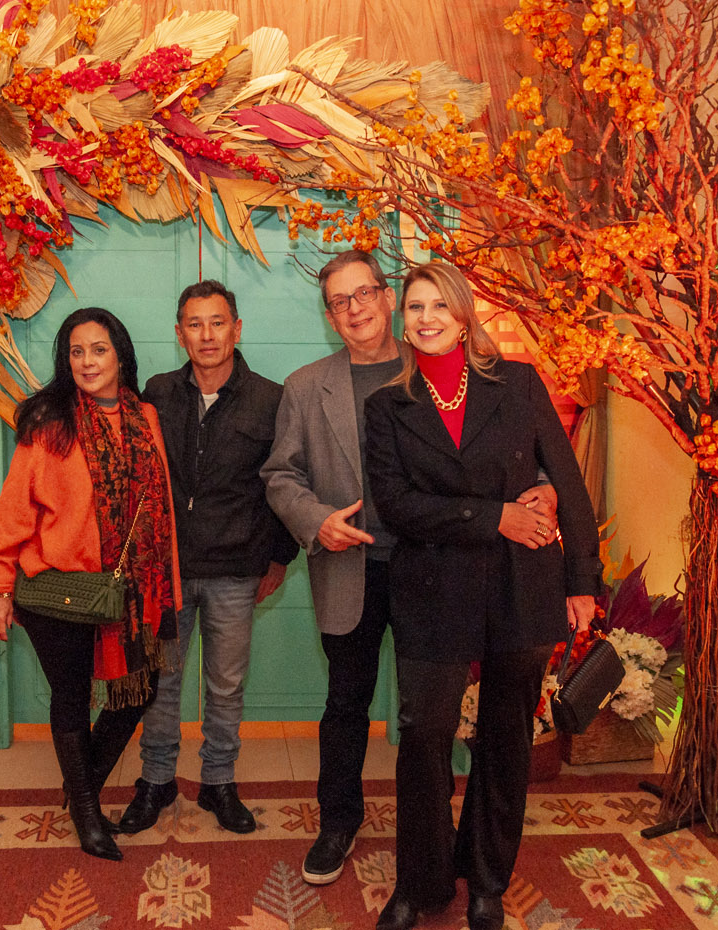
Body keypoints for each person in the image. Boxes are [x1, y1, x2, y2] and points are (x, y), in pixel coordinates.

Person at [261, 251, 560, 887]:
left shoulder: (437, 359)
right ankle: (338, 822)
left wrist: (546, 484)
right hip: (352, 568)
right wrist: (316, 520)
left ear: (387, 297)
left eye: (365, 293)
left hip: (439, 569)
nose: (355, 309)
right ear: (329, 316)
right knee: (347, 701)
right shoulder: (305, 386)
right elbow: (280, 474)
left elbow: (502, 442)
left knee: (428, 718)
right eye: (339, 301)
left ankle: (434, 843)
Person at [363, 262, 602, 930]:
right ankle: (421, 882)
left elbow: (568, 482)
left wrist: (583, 580)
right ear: (402, 320)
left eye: (440, 305)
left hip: (521, 584)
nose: (427, 318)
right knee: (424, 735)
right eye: (415, 307)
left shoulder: (518, 383)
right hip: (432, 588)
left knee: (505, 738)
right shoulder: (386, 406)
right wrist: (495, 516)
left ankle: (488, 879)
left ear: (465, 316)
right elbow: (398, 505)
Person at [0, 307, 181, 862]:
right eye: (76, 352)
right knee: (71, 698)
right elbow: (14, 509)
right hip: (58, 591)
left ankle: (81, 791)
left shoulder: (146, 416)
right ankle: (89, 818)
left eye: (99, 349)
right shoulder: (51, 423)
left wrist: (166, 584)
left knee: (138, 692)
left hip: (132, 593)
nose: (88, 362)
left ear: (120, 355)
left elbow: (159, 507)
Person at [118, 280, 298, 835]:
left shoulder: (270, 399)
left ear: (236, 329)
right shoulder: (158, 392)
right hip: (167, 569)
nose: (207, 335)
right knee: (162, 682)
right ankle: (156, 780)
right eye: (195, 324)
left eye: (217, 322)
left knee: (225, 684)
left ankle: (219, 782)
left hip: (235, 569)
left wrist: (279, 558)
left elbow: (285, 483)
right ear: (180, 334)